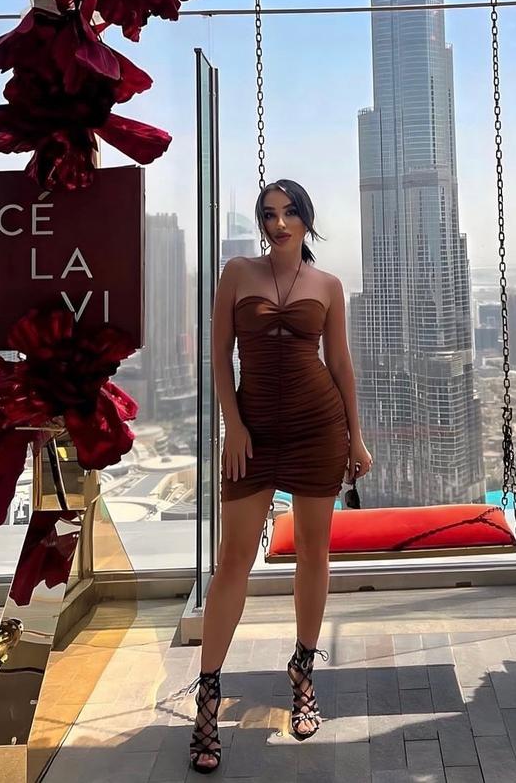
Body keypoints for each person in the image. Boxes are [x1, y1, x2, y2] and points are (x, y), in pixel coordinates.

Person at [189, 179, 372, 774]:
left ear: (306, 219)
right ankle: (208, 693)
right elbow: (219, 355)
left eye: (290, 212)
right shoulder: (238, 272)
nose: (279, 222)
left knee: (314, 552)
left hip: (318, 427)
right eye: (269, 214)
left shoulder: (328, 285)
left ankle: (303, 672)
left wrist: (356, 437)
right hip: (253, 432)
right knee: (232, 562)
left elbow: (339, 362)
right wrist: (233, 426)